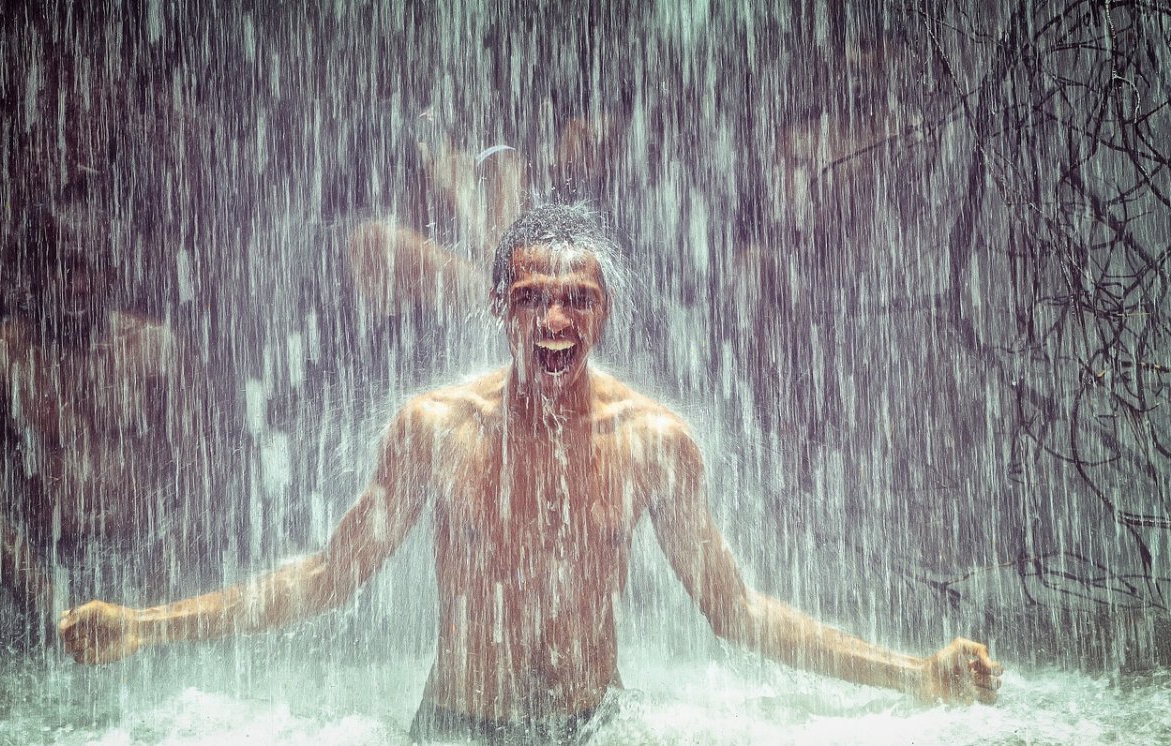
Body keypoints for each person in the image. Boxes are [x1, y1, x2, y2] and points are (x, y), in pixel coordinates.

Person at [59, 204, 1002, 743]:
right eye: (532, 298)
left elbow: (739, 611)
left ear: (605, 314)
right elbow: (321, 577)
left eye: (578, 299)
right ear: (499, 311)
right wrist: (145, 626)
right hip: (457, 731)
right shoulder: (435, 428)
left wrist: (913, 674)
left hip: (598, 733)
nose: (556, 319)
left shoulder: (654, 441)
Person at [0, 198, 206, 645]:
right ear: (33, 270)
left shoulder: (156, 352)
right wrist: (58, 615)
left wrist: (144, 615)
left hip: (144, 556)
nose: (76, 284)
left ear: (113, 273)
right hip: (40, 570)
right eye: (60, 266)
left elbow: (198, 493)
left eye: (90, 268)